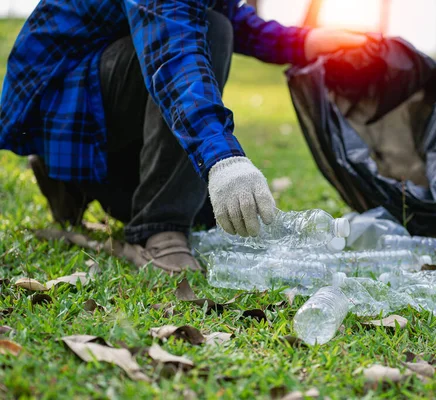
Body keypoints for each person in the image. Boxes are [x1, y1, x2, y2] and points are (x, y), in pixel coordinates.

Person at [0, 1, 367, 273]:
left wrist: (308, 42)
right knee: (211, 29)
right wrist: (224, 160)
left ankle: (70, 178)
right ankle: (161, 228)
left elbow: (238, 20)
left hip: (96, 105)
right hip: (64, 103)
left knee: (209, 218)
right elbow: (174, 55)